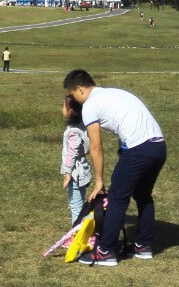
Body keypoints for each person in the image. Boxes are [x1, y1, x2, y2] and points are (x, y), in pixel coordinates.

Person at [63, 69, 166, 266]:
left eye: (73, 94)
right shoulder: (113, 93)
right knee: (143, 195)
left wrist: (99, 180)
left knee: (117, 198)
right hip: (159, 146)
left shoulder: (90, 105)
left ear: (79, 89)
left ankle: (105, 250)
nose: (74, 99)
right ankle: (143, 245)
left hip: (139, 149)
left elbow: (95, 146)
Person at [60, 95, 92, 224]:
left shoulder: (74, 132)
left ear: (70, 111)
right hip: (81, 170)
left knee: (76, 205)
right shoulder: (81, 126)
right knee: (79, 203)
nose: (61, 109)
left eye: (63, 106)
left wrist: (67, 173)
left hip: (75, 173)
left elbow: (72, 154)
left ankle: (75, 236)